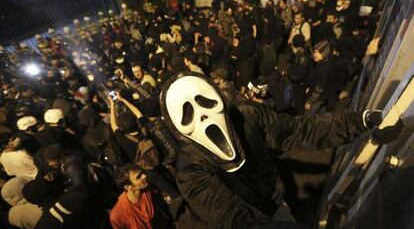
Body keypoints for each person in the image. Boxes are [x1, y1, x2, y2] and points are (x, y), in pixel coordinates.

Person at [159, 72, 403, 228]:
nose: (202, 116)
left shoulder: (247, 115)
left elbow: (300, 130)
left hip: (277, 201)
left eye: (204, 102)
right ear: (180, 131)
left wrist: (361, 120)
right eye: (188, 114)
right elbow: (228, 215)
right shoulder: (189, 169)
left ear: (219, 99)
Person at [110, 163, 173, 229]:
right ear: (127, 187)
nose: (144, 176)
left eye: (142, 173)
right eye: (138, 177)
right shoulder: (117, 215)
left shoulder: (151, 191)